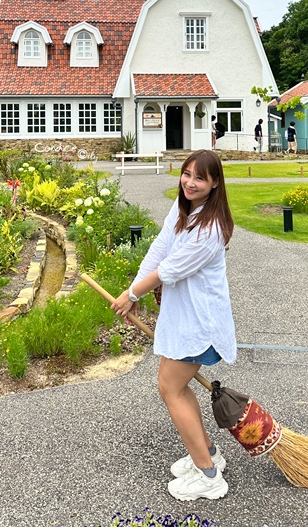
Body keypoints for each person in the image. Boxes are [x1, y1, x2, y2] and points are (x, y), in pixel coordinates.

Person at [112, 149, 236, 502]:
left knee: (170, 387)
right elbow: (160, 249)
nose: (190, 183)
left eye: (200, 178)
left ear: (214, 184)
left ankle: (209, 477)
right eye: (187, 174)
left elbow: (170, 270)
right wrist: (133, 291)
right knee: (175, 387)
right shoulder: (183, 210)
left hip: (201, 323)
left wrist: (131, 293)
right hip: (184, 319)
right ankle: (208, 455)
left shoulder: (210, 228)